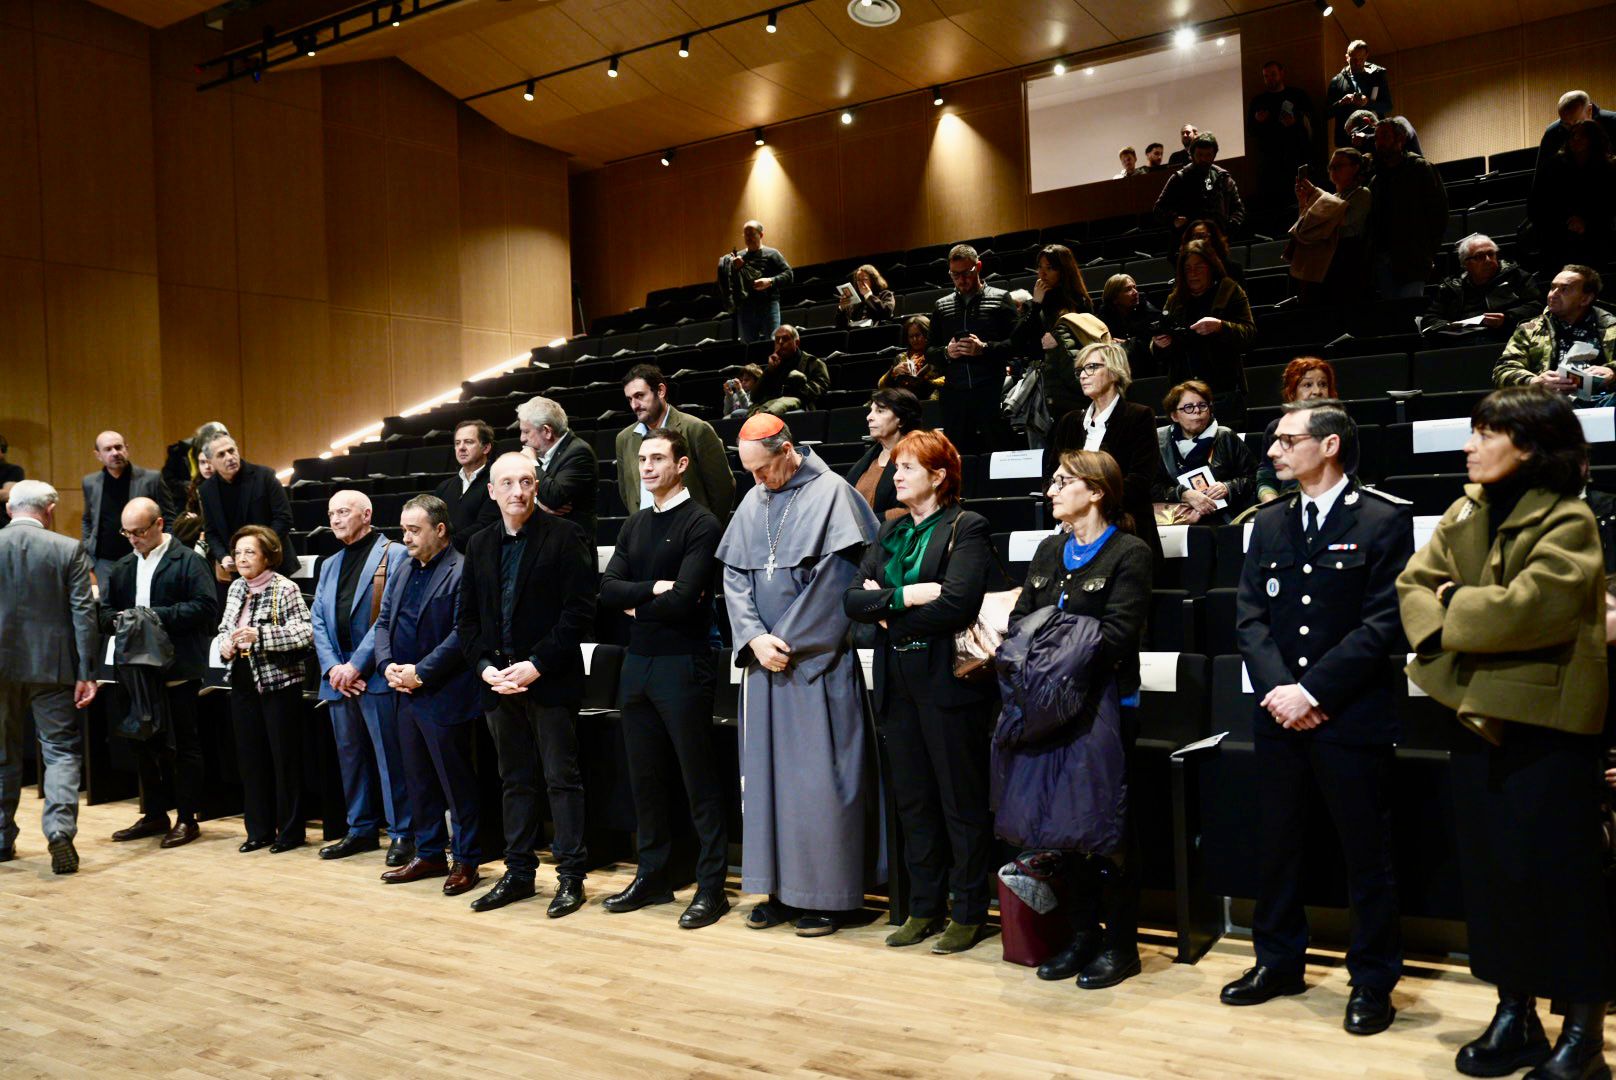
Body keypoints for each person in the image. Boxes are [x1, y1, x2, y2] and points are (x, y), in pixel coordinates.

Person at [1397, 387, 1613, 1078]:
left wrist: (1455, 604)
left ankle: (1581, 1032)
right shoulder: (1467, 507)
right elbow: (1411, 584)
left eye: (1484, 432)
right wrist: (1462, 613)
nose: (1469, 445)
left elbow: (1532, 611)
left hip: (1547, 728)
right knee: (1493, 877)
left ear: (1529, 443)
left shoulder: (1570, 518)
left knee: (1561, 881)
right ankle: (1513, 1013)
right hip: (1472, 716)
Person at [1225, 400, 1413, 1037]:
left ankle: (1372, 980)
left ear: (1329, 445)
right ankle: (1277, 961)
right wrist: (1283, 691)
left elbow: (1384, 623)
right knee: (1277, 843)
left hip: (1349, 714)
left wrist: (1313, 691)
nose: (1274, 452)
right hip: (1280, 715)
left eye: (1286, 440)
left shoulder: (1384, 520)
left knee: (1367, 854)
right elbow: (1250, 617)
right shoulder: (1269, 522)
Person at [716, 414, 881, 937]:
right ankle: (781, 891)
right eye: (750, 474)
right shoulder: (754, 497)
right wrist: (753, 639)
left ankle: (828, 895)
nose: (757, 482)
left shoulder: (834, 494)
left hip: (814, 664)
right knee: (767, 784)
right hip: (765, 665)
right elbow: (736, 574)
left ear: (787, 450)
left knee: (819, 784)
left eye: (763, 470)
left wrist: (785, 641)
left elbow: (840, 581)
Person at [844, 430, 1000, 955]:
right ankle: (925, 907)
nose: (896, 474)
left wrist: (886, 612)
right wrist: (905, 598)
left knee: (960, 801)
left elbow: (957, 604)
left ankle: (970, 909)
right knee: (913, 802)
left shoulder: (967, 526)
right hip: (897, 682)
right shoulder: (889, 532)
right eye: (897, 467)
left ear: (938, 476)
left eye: (908, 467)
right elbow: (850, 600)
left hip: (948, 684)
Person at [1009, 449, 1154, 988]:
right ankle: (1081, 937)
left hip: (1106, 708)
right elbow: (1022, 622)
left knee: (1106, 831)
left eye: (1062, 481)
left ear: (1095, 491)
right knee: (1062, 832)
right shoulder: (1050, 549)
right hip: (1053, 710)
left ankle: (1120, 945)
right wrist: (1056, 646)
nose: (1051, 489)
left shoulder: (1129, 552)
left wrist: (1052, 648)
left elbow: (1116, 636)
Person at [598, 428, 730, 930]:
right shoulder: (634, 523)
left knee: (698, 779)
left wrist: (641, 603)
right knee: (645, 778)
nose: (646, 466)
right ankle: (653, 875)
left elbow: (689, 597)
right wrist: (654, 588)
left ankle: (711, 886)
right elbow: (608, 591)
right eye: (642, 458)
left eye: (657, 458)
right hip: (639, 663)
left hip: (684, 661)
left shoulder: (702, 522)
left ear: (682, 464)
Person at [457, 452, 595, 916]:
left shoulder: (566, 535)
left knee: (561, 779)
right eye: (507, 483)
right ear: (491, 491)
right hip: (498, 683)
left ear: (536, 486)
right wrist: (483, 668)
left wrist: (535, 664)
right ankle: (518, 874)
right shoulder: (477, 544)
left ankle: (571, 877)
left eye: (526, 481)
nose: (518, 491)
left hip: (548, 678)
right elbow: (468, 621)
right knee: (514, 781)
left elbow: (579, 614)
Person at [373, 494, 484, 898]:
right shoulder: (401, 567)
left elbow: (462, 634)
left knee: (457, 784)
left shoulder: (461, 569)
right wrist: (387, 666)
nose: (406, 538)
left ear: (440, 530)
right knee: (417, 778)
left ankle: (468, 859)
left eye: (414, 530)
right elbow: (384, 621)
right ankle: (431, 852)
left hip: (445, 692)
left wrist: (421, 672)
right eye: (403, 529)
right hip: (405, 690)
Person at [99, 496, 217, 851]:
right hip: (135, 671)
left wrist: (152, 617)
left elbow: (206, 607)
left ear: (159, 525)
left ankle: (186, 817)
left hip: (177, 666)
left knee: (183, 744)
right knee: (143, 742)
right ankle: (154, 813)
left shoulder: (188, 561)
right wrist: (121, 620)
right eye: (127, 532)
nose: (133, 538)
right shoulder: (121, 567)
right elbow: (103, 612)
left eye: (139, 532)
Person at [310, 490, 413, 865]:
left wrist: (356, 665)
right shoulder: (329, 562)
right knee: (350, 757)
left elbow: (388, 615)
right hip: (339, 679)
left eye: (343, 512)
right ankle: (360, 829)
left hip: (375, 676)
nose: (335, 519)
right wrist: (334, 668)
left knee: (389, 757)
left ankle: (403, 832)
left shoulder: (396, 554)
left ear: (366, 514)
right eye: (331, 512)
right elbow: (317, 619)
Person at [0, 481, 97, 872]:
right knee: (59, 752)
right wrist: (87, 671)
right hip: (53, 666)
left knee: (1, 754)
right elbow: (83, 614)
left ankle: (2, 838)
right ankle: (59, 832)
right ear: (50, 509)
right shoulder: (68, 548)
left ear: (10, 509)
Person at [216, 524, 313, 855]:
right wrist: (225, 644)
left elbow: (304, 633)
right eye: (238, 552)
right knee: (250, 758)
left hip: (278, 682)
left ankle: (290, 831)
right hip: (242, 678)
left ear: (268, 555)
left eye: (249, 552)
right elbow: (224, 629)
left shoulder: (284, 588)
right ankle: (257, 830)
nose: (242, 558)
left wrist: (261, 636)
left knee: (283, 758)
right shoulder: (235, 588)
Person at [1044, 342, 1165, 562]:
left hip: (1124, 529)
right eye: (1080, 370)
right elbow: (1051, 475)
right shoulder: (1070, 422)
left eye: (1091, 367)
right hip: (1073, 531)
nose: (1082, 376)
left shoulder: (1138, 416)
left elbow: (1140, 480)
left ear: (1113, 371)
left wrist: (1089, 512)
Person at [926, 243, 1022, 455]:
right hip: (955, 393)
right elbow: (929, 352)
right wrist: (946, 352)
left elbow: (1017, 345)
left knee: (999, 452)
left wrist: (984, 349)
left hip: (991, 390)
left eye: (966, 273)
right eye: (955, 275)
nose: (961, 280)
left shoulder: (1000, 298)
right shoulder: (941, 306)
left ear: (978, 267)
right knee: (959, 458)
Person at [1150, 240, 1256, 427]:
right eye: (1188, 269)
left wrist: (1221, 327)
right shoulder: (1175, 299)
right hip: (1184, 391)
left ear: (1211, 267)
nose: (1193, 274)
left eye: (1199, 267)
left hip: (1222, 388)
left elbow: (1249, 335)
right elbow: (1159, 352)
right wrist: (1159, 344)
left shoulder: (1229, 291)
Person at [618, 364, 735, 522]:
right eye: (630, 399)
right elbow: (627, 492)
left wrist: (705, 528)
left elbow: (723, 489)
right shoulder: (624, 439)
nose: (634, 405)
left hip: (691, 533)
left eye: (640, 396)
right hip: (645, 533)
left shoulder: (696, 429)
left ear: (660, 391)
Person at [198, 432, 297, 596]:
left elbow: (284, 518)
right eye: (221, 454)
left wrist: (258, 548)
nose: (229, 457)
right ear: (211, 462)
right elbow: (211, 532)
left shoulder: (265, 476)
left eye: (231, 450)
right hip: (239, 570)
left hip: (274, 564)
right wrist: (223, 557)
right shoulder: (206, 490)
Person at [1493, 265, 1616, 392]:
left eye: (1564, 289)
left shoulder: (1611, 327)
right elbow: (1503, 370)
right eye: (1552, 287)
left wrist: (1613, 372)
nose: (1554, 294)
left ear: (1585, 299)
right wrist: (1535, 382)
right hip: (1549, 403)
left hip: (1604, 402)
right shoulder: (1530, 329)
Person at [1153, 381, 1258, 524]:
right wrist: (1183, 494)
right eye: (1189, 407)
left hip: (1222, 516)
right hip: (1177, 518)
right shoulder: (1160, 441)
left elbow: (1254, 477)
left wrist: (1228, 487)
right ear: (1174, 416)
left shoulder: (1225, 436)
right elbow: (1150, 486)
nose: (1197, 411)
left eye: (1202, 405)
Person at [1367, 119, 1448, 300]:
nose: (1379, 142)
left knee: (1408, 314)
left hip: (1413, 257)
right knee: (1390, 316)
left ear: (1401, 139)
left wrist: (1427, 254)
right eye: (1376, 138)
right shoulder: (1376, 179)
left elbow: (1438, 215)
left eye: (1385, 136)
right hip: (1384, 259)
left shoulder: (1421, 168)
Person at [1019, 244, 1099, 424]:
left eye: (1050, 268)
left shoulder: (1079, 302)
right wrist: (1036, 303)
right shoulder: (1035, 303)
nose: (1042, 273)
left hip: (1071, 378)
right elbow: (1019, 339)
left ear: (1063, 271)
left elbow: (1089, 342)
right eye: (1040, 267)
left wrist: (1060, 342)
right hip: (1043, 380)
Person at [82, 430, 171, 587]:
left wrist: (163, 551)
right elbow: (88, 520)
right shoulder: (90, 483)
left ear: (126, 448)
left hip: (144, 556)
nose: (115, 453)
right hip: (104, 562)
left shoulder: (151, 479)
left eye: (119, 447)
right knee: (108, 609)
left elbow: (169, 517)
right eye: (108, 449)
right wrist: (89, 553)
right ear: (98, 455)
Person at [1529, 118, 1616, 274]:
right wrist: (1565, 222)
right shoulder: (1553, 167)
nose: (1575, 139)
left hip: (1597, 236)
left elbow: (1609, 205)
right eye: (1573, 135)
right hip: (1558, 234)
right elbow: (1538, 203)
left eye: (1581, 135)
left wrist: (1587, 222)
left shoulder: (1609, 169)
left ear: (1593, 139)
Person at [1289, 148, 1372, 306]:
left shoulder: (1362, 194)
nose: (1333, 170)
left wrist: (1315, 193)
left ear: (1355, 168)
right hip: (1324, 262)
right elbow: (1307, 228)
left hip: (1347, 263)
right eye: (1331, 167)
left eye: (1338, 166)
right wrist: (1303, 201)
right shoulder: (1331, 197)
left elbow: (1341, 219)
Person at [1423, 234, 1544, 339]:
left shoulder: (1516, 276)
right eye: (1479, 256)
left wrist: (1507, 318)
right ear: (1465, 263)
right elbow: (1430, 320)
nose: (1488, 260)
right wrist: (1450, 325)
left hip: (1507, 336)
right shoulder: (1451, 287)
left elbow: (1536, 305)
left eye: (1491, 254)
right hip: (1463, 342)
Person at [516, 395, 599, 544]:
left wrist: (532, 463)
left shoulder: (578, 452)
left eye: (527, 432)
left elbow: (554, 498)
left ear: (547, 431)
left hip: (571, 547)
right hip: (545, 542)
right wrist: (539, 505)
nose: (522, 438)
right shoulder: (541, 453)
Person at [1255, 358, 1339, 502]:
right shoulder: (1276, 428)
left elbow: (1349, 473)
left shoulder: (1341, 425)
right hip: (1288, 502)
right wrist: (1273, 504)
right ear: (1292, 392)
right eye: (1307, 385)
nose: (1317, 391)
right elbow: (1266, 478)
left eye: (1323, 384)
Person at [847, 389, 925, 522]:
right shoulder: (870, 457)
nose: (869, 417)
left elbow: (916, 510)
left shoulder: (919, 457)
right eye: (871, 411)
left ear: (901, 420)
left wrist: (864, 524)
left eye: (880, 411)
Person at [1248, 60, 1317, 209]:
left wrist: (1295, 122)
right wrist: (1259, 121)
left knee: (1300, 201)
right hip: (1270, 163)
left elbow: (1312, 123)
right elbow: (1251, 131)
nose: (1270, 79)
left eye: (1273, 74)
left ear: (1282, 73)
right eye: (1266, 76)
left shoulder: (1297, 95)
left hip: (1296, 158)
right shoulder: (1258, 101)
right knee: (1274, 205)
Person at [1155, 133, 1246, 237]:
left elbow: (1238, 209)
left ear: (1214, 155)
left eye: (1208, 155)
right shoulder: (1179, 178)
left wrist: (1229, 227)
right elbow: (1159, 208)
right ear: (1192, 154)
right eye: (1199, 155)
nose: (1203, 159)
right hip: (1188, 240)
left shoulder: (1223, 178)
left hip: (1217, 240)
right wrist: (1174, 219)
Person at [718, 219, 793, 343]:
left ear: (761, 235)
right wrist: (733, 269)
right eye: (745, 234)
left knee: (772, 343)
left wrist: (770, 281)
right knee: (748, 347)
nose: (748, 237)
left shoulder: (772, 254)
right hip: (746, 308)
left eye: (751, 234)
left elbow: (789, 274)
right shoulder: (738, 257)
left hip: (768, 306)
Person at [432, 420, 499, 553]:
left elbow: (486, 526)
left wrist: (444, 545)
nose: (461, 447)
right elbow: (432, 522)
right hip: (444, 558)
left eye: (468, 442)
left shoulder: (496, 481)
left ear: (486, 448)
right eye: (457, 443)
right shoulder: (444, 487)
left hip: (480, 557)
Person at [751, 325, 831, 416]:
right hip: (770, 407)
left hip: (799, 407)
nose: (780, 342)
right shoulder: (773, 365)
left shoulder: (812, 362)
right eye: (777, 340)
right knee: (738, 414)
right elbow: (754, 397)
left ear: (796, 343)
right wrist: (768, 371)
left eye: (785, 339)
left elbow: (821, 387)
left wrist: (796, 390)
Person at [1327, 40, 1392, 147]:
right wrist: (1341, 102)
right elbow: (1326, 112)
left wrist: (1367, 102)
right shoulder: (1337, 81)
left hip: (1373, 137)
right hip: (1347, 140)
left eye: (1361, 59)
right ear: (1347, 57)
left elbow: (1388, 106)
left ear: (1366, 56)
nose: (1357, 63)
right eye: (1353, 60)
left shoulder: (1377, 77)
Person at [1097, 274, 1160, 373]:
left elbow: (1152, 344)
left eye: (1134, 287)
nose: (1135, 292)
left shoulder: (1149, 312)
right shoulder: (1103, 318)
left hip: (1146, 366)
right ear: (1115, 298)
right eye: (1128, 290)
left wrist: (1128, 344)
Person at [879, 316, 944, 401]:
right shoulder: (901, 357)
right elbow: (881, 386)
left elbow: (948, 379)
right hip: (905, 399)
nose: (914, 339)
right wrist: (894, 372)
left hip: (930, 397)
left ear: (927, 334)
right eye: (911, 336)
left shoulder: (937, 354)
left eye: (917, 335)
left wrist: (926, 383)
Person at [835, 264, 896, 329]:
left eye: (864, 279)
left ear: (873, 280)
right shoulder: (855, 301)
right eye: (858, 280)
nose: (861, 283)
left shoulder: (886, 294)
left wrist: (868, 295)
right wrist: (842, 308)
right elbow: (841, 326)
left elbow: (886, 314)